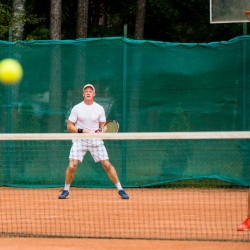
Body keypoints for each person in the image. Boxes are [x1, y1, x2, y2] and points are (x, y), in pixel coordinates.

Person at [58, 84, 129, 200]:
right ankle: (66, 190)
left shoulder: (99, 108)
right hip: (79, 140)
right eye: (86, 91)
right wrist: (83, 131)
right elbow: (70, 126)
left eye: (90, 91)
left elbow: (104, 126)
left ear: (94, 94)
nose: (88, 93)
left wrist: (102, 131)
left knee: (106, 165)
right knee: (72, 166)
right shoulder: (76, 108)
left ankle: (120, 189)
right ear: (83, 94)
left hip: (95, 141)